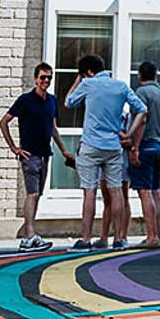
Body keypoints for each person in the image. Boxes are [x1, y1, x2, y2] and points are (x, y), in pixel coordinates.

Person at [0, 62, 74, 251]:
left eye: (49, 77)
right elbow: (4, 122)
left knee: (37, 194)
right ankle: (29, 236)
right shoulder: (25, 100)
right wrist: (14, 148)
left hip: (45, 154)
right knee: (32, 194)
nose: (46, 81)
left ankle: (30, 236)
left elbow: (53, 128)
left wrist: (63, 150)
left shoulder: (52, 101)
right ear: (35, 79)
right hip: (30, 155)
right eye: (42, 77)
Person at [65, 54, 131, 248]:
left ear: (88, 72)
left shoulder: (88, 83)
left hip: (91, 145)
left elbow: (69, 102)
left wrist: (79, 80)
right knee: (116, 191)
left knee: (90, 192)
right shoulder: (120, 86)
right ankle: (118, 239)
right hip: (113, 146)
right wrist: (128, 134)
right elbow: (141, 108)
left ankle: (86, 239)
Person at [125, 61, 160, 250]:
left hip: (146, 145)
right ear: (156, 75)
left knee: (144, 192)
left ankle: (151, 236)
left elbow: (142, 119)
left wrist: (135, 147)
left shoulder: (141, 93)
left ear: (139, 76)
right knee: (155, 192)